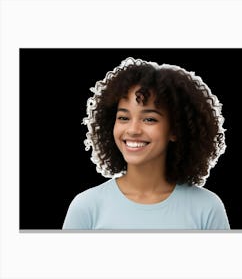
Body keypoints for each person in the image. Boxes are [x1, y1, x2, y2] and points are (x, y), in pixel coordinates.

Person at [62, 57, 230, 230]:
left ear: (175, 130)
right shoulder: (87, 208)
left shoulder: (207, 209)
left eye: (149, 119)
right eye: (123, 118)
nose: (133, 129)